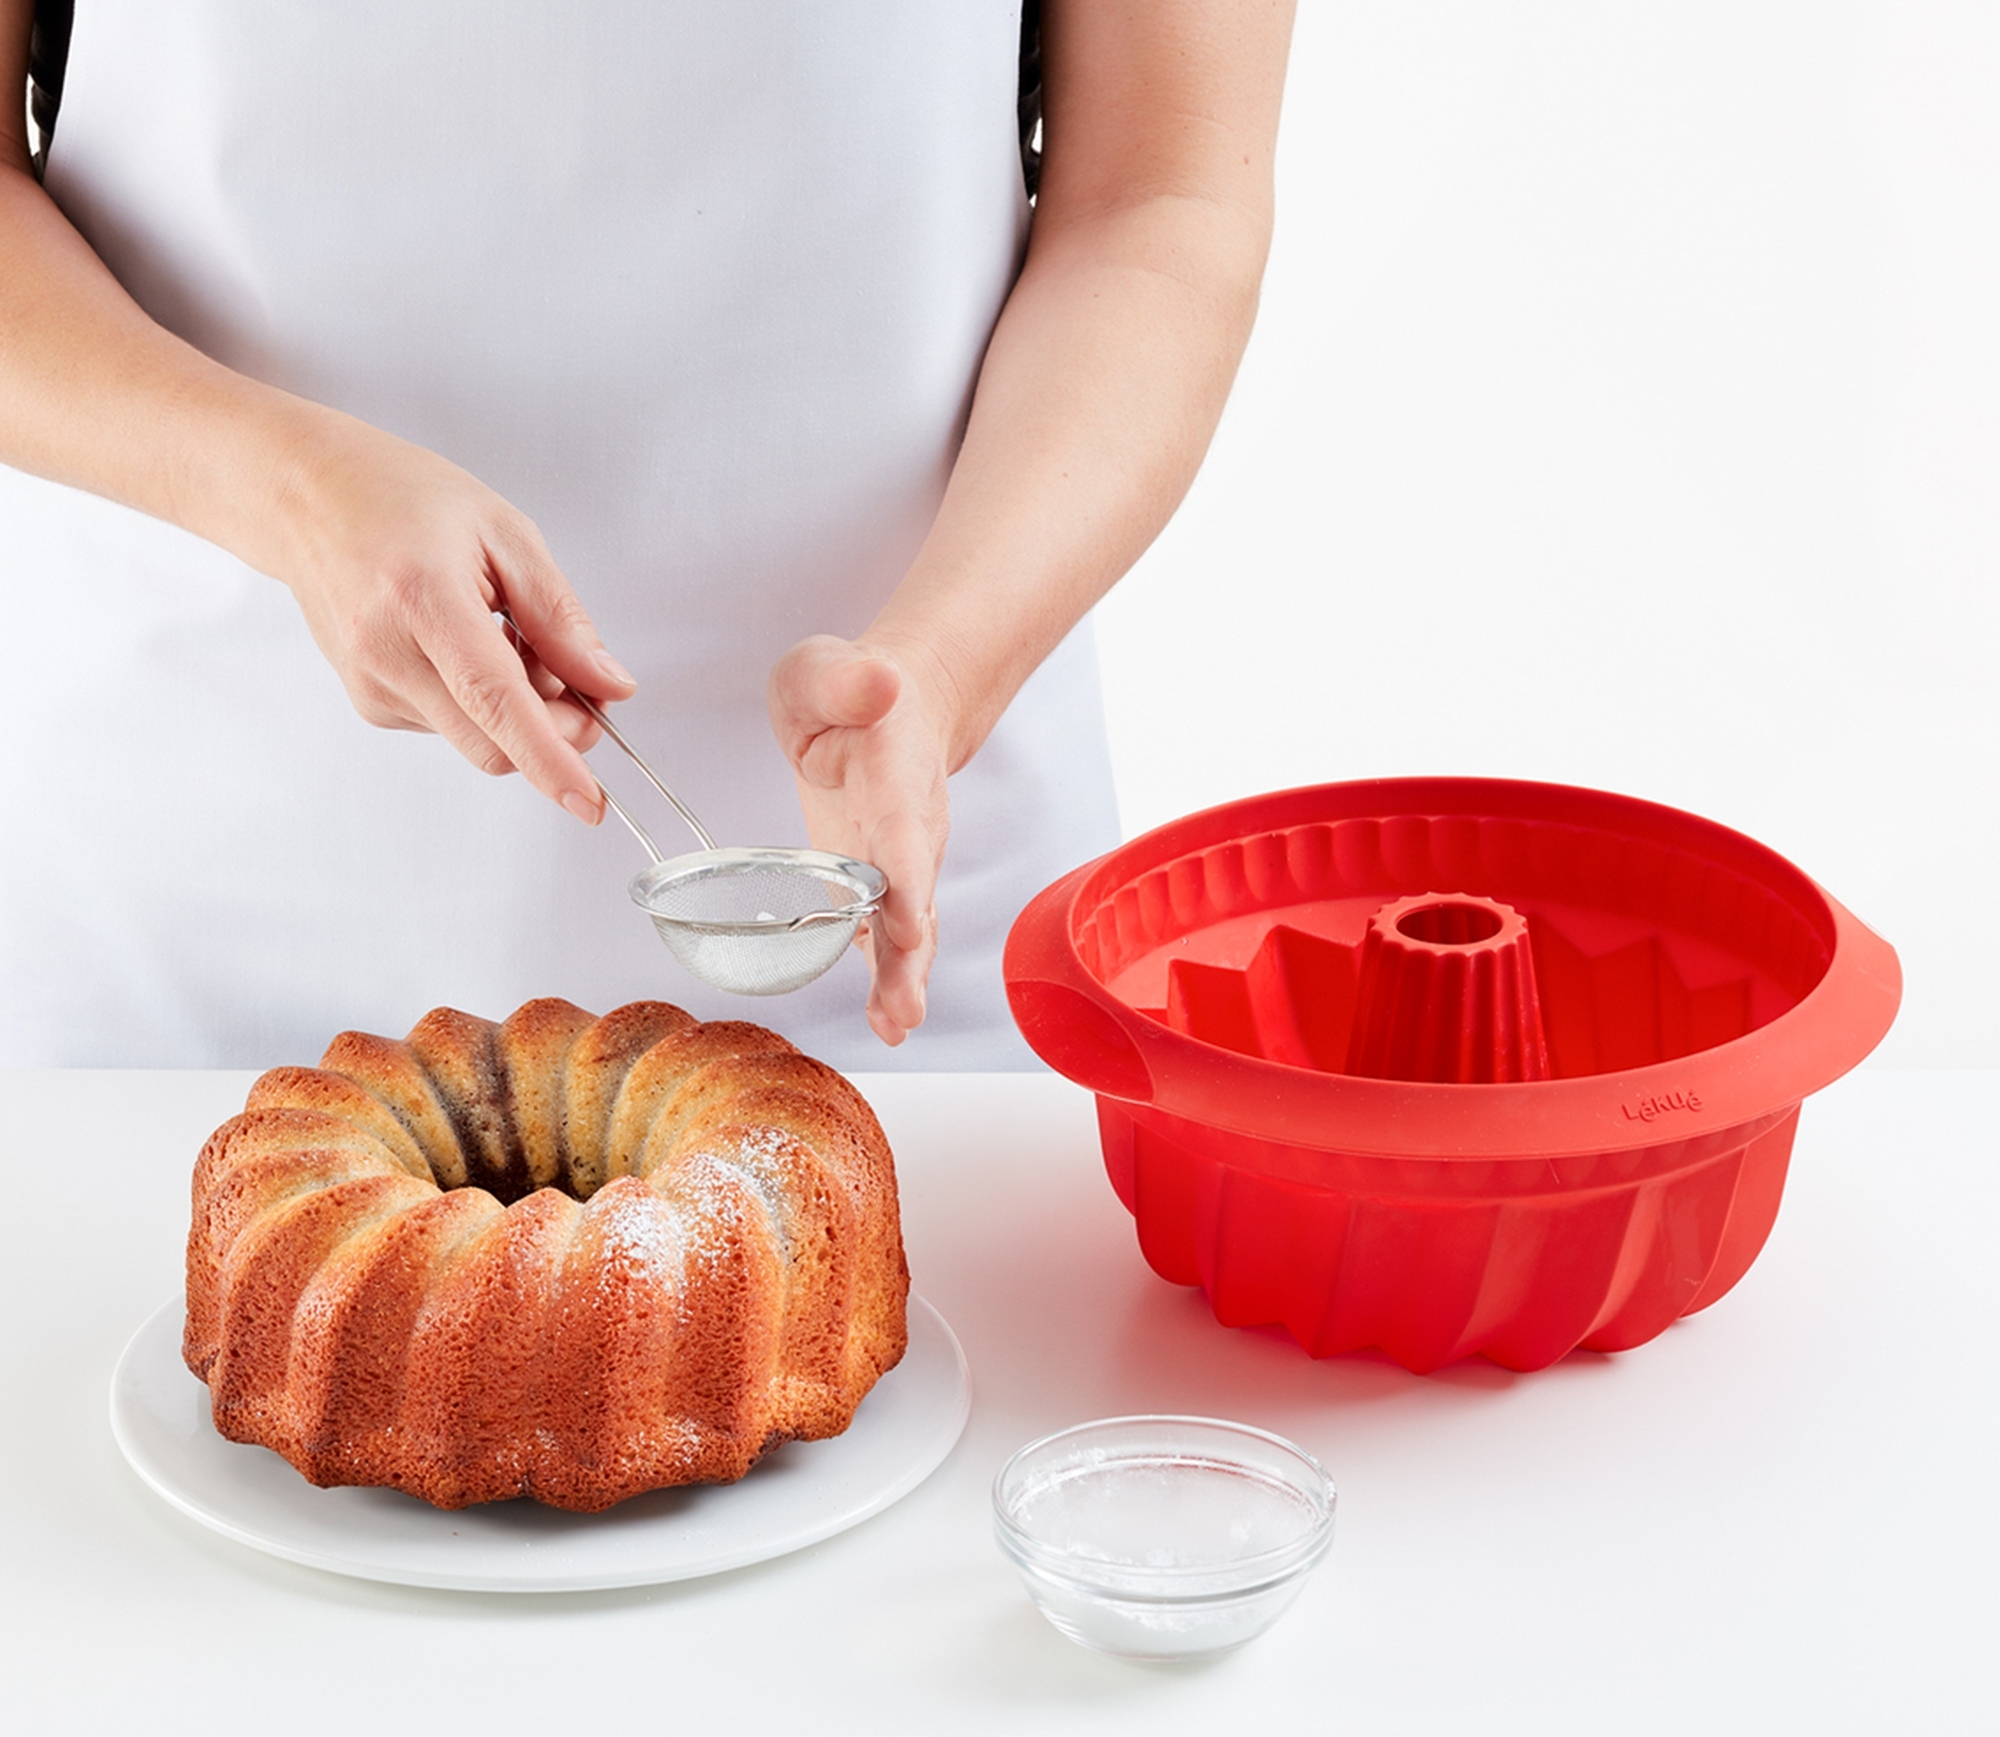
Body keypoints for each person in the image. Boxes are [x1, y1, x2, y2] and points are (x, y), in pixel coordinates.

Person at [0, 1, 1294, 1068]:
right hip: (181, 959)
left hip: (893, 961)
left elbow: (1161, 199)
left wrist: (947, 670)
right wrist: (283, 486)